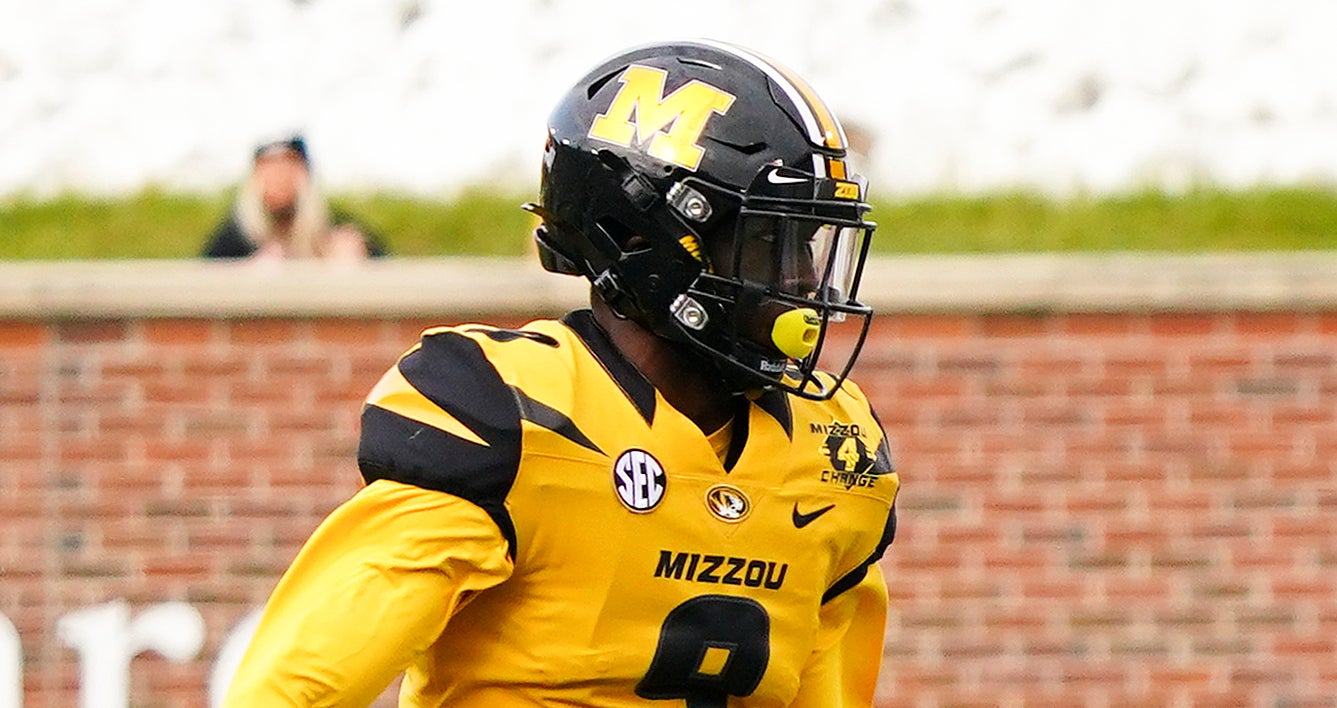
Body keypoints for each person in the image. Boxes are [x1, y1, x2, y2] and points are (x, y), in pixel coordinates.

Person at [224, 39, 900, 707]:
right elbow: (293, 691)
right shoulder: (514, 415)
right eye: (768, 246)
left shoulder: (831, 453)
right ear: (646, 243)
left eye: (807, 248)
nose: (802, 282)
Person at [201, 135, 387, 260]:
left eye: (287, 170)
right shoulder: (234, 238)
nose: (279, 179)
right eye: (270, 171)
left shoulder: (336, 226)